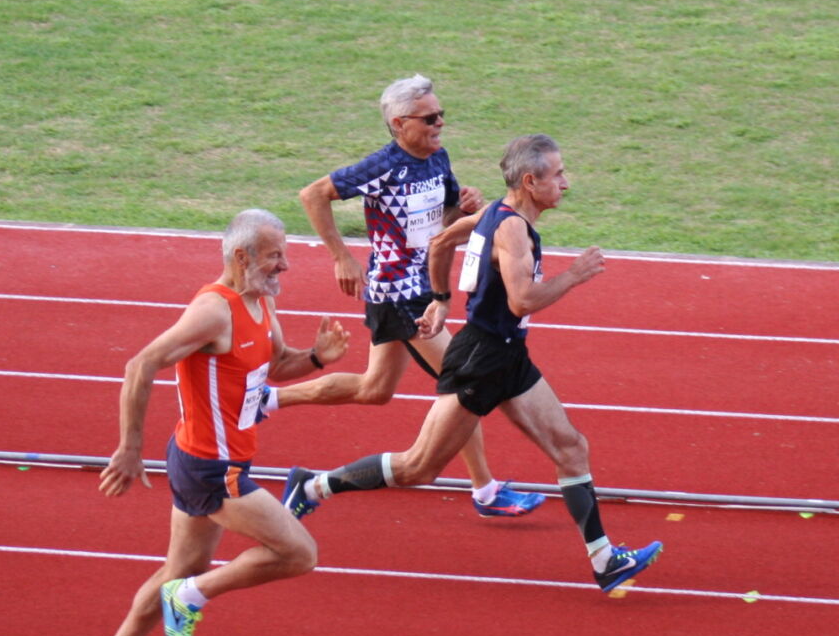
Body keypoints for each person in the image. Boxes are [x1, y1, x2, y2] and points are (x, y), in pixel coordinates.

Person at [281, 135, 663, 592]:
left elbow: (441, 241)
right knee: (417, 468)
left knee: (571, 447)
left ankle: (604, 559)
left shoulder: (494, 212)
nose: (566, 183)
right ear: (530, 181)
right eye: (558, 174)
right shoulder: (511, 228)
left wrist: (441, 299)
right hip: (480, 360)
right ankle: (312, 486)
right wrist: (574, 275)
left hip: (508, 355)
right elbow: (522, 301)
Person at [86, 209, 350, 636]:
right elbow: (141, 365)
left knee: (180, 567)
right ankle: (189, 598)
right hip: (211, 467)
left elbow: (277, 365)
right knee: (298, 553)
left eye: (285, 254)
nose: (285, 266)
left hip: (213, 458)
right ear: (241, 257)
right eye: (275, 256)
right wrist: (129, 448)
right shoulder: (214, 311)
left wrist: (316, 357)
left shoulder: (261, 301)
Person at [270, 74, 545, 518]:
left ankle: (267, 399)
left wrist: (465, 207)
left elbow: (444, 228)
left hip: (421, 287)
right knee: (466, 384)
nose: (440, 124)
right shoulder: (384, 166)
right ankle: (486, 490)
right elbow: (313, 194)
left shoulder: (438, 159)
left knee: (375, 389)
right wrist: (341, 257)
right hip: (398, 292)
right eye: (429, 118)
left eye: (441, 115)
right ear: (399, 124)